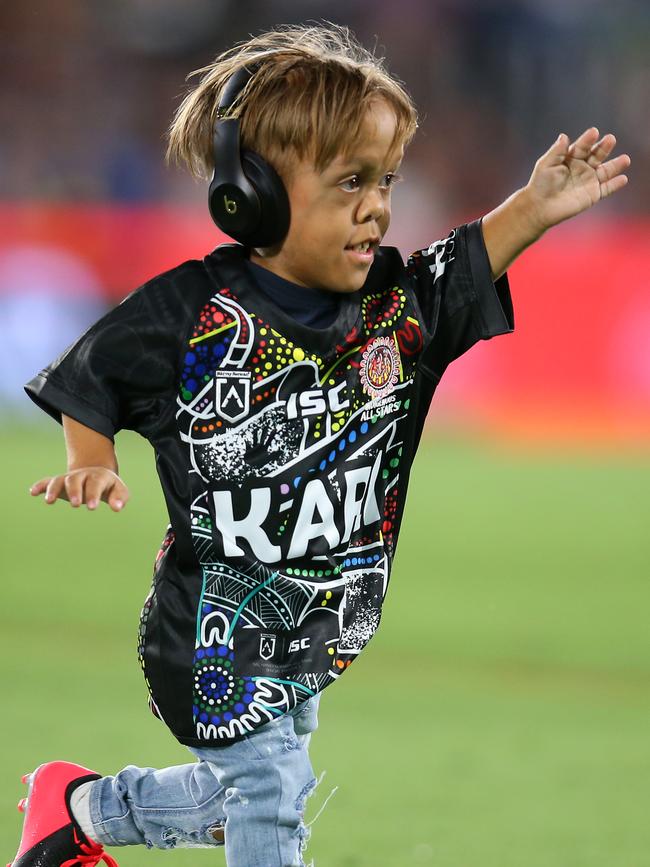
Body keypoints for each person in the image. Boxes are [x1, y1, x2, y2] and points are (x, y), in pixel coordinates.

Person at [11, 21, 630, 867]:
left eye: (385, 179)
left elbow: (465, 264)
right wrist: (92, 459)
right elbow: (93, 377)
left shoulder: (392, 313)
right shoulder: (190, 314)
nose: (377, 203)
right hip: (215, 632)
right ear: (251, 194)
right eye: (349, 182)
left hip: (317, 622)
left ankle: (76, 809)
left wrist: (533, 206)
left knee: (258, 786)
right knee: (265, 793)